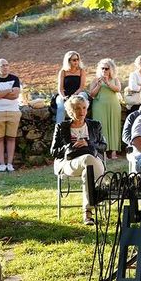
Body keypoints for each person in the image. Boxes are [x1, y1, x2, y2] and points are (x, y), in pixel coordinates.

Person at [50, 95, 106, 225]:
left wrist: (89, 144)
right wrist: (70, 146)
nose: (81, 112)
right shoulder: (61, 127)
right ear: (70, 111)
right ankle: (100, 192)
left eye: (84, 108)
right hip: (69, 163)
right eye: (77, 108)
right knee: (88, 160)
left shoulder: (95, 125)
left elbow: (103, 146)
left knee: (89, 169)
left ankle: (88, 213)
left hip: (91, 163)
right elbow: (54, 151)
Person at [0, 59, 22, 172]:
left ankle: (10, 164)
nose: (6, 67)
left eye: (7, 65)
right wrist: (8, 90)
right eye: (3, 66)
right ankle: (2, 164)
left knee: (11, 138)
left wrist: (0, 94)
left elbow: (15, 95)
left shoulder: (15, 78)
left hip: (13, 111)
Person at [88, 59, 122, 159]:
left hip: (113, 106)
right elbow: (92, 94)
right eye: (102, 68)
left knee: (114, 127)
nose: (104, 70)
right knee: (102, 128)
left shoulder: (115, 79)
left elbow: (118, 89)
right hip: (99, 106)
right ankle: (103, 152)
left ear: (111, 69)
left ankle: (114, 152)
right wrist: (99, 85)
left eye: (106, 68)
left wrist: (107, 83)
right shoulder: (96, 80)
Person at [56, 51, 87, 124]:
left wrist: (75, 95)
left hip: (78, 93)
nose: (76, 61)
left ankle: (81, 124)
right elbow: (60, 88)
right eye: (74, 60)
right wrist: (63, 97)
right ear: (68, 61)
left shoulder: (81, 71)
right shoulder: (63, 72)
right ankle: (59, 128)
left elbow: (81, 87)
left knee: (81, 99)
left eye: (77, 59)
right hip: (65, 94)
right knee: (61, 107)